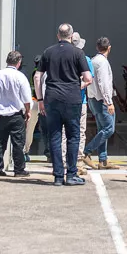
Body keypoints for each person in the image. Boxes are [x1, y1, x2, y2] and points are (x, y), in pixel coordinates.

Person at [35, 24, 93, 186]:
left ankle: (58, 176)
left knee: (55, 136)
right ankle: (72, 174)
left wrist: (40, 100)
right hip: (72, 99)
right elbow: (88, 78)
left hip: (51, 99)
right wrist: (77, 86)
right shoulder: (78, 53)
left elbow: (38, 77)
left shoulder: (48, 52)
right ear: (71, 35)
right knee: (73, 136)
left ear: (57, 35)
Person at [0, 50, 32, 177]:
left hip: (0, 115)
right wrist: (28, 112)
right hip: (16, 114)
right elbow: (26, 98)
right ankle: (19, 169)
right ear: (19, 62)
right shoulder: (20, 77)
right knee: (18, 143)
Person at [83, 37, 118, 170]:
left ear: (97, 48)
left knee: (102, 129)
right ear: (109, 48)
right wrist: (109, 102)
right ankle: (87, 152)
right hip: (102, 100)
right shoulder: (102, 62)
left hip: (93, 99)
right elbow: (104, 84)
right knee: (109, 129)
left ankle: (103, 160)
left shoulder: (93, 61)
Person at [62, 32, 93, 175]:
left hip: (62, 100)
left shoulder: (60, 57)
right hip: (80, 101)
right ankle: (78, 162)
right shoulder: (85, 59)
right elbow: (88, 79)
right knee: (79, 132)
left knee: (63, 132)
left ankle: (63, 162)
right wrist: (76, 86)